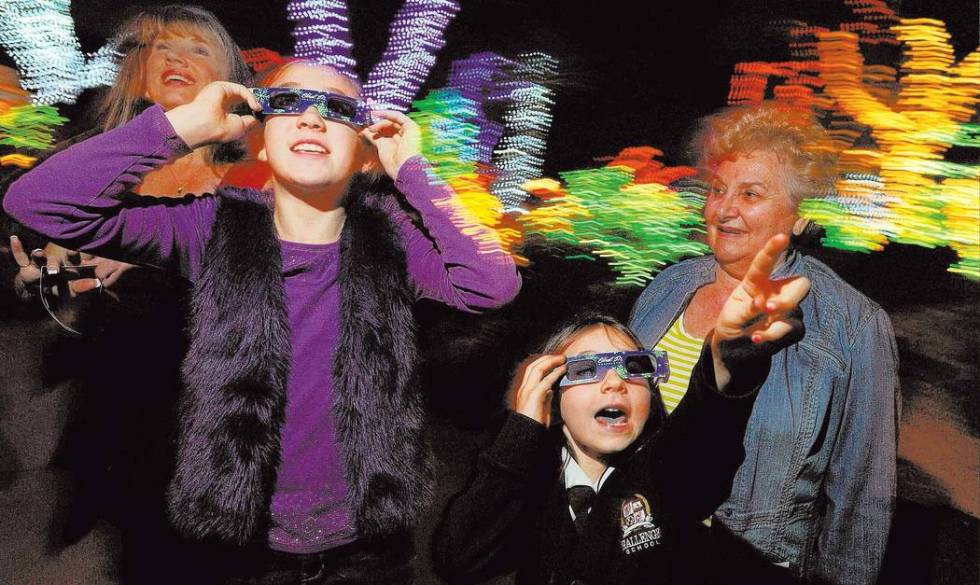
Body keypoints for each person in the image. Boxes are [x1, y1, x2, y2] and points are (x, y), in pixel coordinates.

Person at [4, 57, 521, 584]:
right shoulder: (209, 227)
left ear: (365, 150)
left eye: (338, 110)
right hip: (237, 546)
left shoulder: (392, 239)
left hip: (369, 546)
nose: (313, 118)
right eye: (288, 102)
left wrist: (413, 169)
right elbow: (39, 202)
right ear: (263, 140)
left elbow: (492, 283)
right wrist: (183, 126)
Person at [433, 234, 810, 585]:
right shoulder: (528, 482)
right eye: (585, 369)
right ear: (551, 391)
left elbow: (698, 451)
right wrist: (522, 430)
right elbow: (460, 558)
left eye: (634, 367)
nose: (614, 382)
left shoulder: (662, 477)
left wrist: (725, 365)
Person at [629, 102, 900, 584]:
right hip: (634, 551)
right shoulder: (666, 287)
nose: (724, 208)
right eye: (718, 189)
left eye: (750, 193)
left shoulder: (854, 326)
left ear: (799, 215)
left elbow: (862, 495)